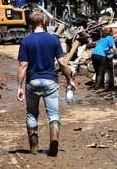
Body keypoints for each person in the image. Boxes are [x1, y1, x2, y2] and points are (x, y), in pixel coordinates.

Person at [17, 10, 76, 156]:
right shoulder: (53, 39)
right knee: (54, 114)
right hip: (50, 81)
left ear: (30, 24)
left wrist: (19, 87)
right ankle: (54, 140)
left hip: (32, 82)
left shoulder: (25, 41)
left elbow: (23, 65)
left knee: (31, 114)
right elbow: (62, 63)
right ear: (44, 22)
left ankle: (34, 147)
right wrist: (69, 79)